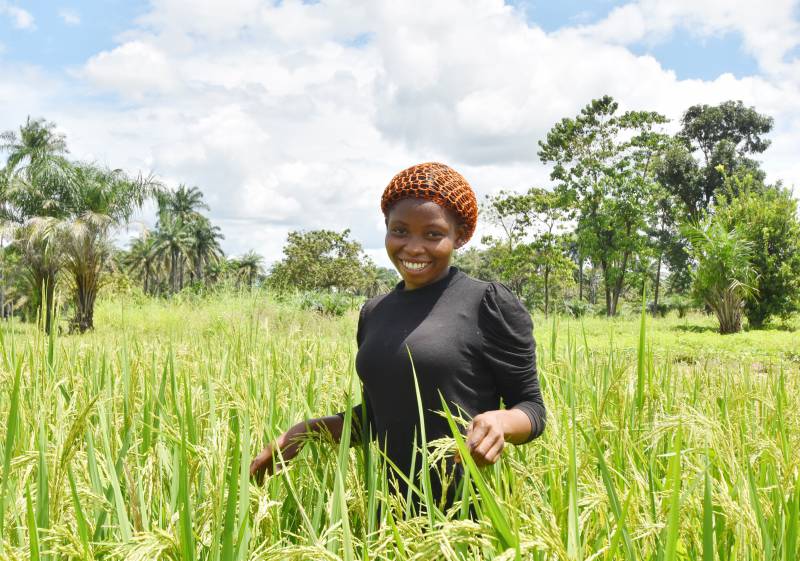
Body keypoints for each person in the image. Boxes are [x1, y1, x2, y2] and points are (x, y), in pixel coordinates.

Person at [250, 162, 546, 512]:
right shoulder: (374, 312)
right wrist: (303, 431)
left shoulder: (488, 303)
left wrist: (500, 422)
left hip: (468, 511)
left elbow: (532, 409)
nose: (413, 247)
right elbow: (377, 419)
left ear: (460, 236)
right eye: (400, 230)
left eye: (433, 234)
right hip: (389, 515)